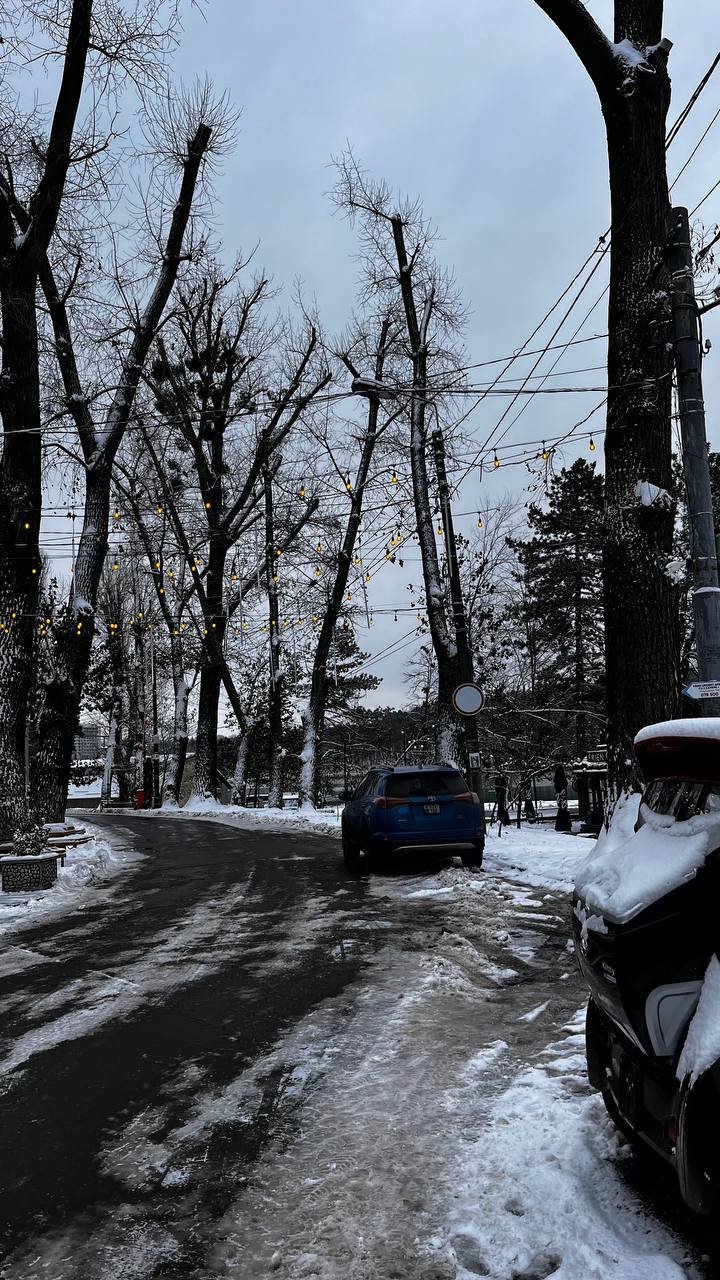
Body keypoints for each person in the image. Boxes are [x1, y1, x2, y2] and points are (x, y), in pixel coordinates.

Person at [554, 762, 572, 833]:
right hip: (563, 799)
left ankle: (561, 825)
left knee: (562, 809)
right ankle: (565, 825)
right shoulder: (562, 781)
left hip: (560, 797)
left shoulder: (557, 781)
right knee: (563, 809)